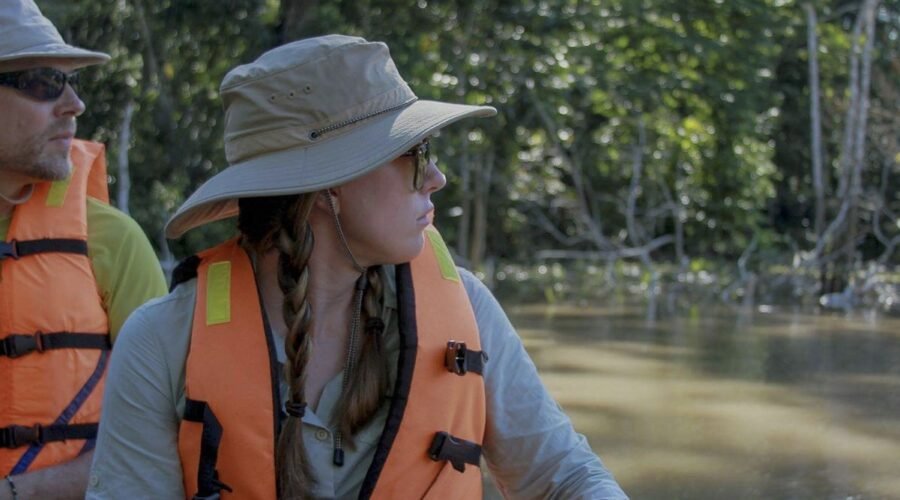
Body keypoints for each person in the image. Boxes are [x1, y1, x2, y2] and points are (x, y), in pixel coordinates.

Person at [87, 35, 627, 499]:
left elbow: (562, 476)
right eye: (415, 153)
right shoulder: (161, 340)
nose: (436, 176)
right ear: (329, 187)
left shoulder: (466, 307)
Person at [0, 1, 168, 498]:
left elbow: (159, 441)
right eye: (44, 83)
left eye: (72, 82)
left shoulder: (113, 241)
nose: (74, 104)